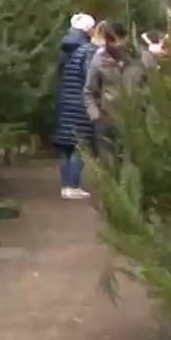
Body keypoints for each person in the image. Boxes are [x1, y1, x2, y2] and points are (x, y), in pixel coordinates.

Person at [51, 12, 98, 199]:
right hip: (80, 104)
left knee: (65, 146)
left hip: (64, 101)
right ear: (88, 29)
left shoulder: (64, 49)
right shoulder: (87, 50)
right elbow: (89, 78)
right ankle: (74, 185)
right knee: (80, 145)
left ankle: (65, 186)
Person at [84, 20, 132, 158]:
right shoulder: (98, 62)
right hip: (108, 122)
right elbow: (89, 92)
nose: (117, 44)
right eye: (112, 41)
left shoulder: (134, 60)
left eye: (120, 39)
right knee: (109, 161)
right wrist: (96, 116)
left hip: (133, 122)